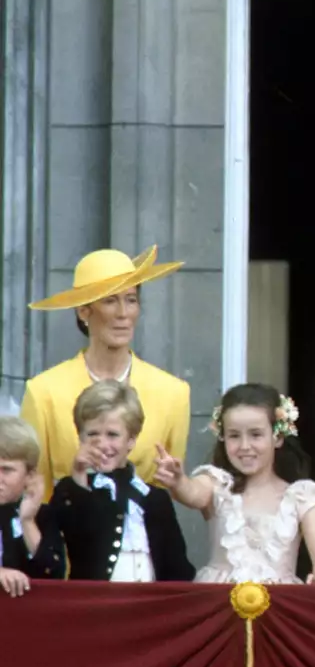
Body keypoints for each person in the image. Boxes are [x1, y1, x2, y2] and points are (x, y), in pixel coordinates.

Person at [21, 246, 190, 499]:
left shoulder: (174, 393)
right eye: (110, 300)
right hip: (66, 533)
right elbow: (33, 488)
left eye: (131, 300)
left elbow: (169, 488)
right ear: (83, 311)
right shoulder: (44, 392)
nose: (123, 313)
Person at [153, 383, 315, 585]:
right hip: (219, 600)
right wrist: (178, 481)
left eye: (256, 435)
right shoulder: (217, 483)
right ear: (223, 438)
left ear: (277, 437)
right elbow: (192, 493)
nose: (244, 446)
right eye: (234, 436)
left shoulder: (301, 495)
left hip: (278, 601)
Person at [48, 381, 193, 582]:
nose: (102, 444)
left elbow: (177, 567)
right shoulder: (70, 489)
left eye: (113, 435)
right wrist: (79, 476)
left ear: (131, 440)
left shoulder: (153, 497)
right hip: (98, 606)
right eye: (92, 434)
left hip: (149, 606)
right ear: (80, 437)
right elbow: (75, 537)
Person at [0, 417, 65, 595]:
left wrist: (27, 521)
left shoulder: (43, 515)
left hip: (27, 616)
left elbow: (54, 573)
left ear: (29, 475)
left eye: (7, 470)